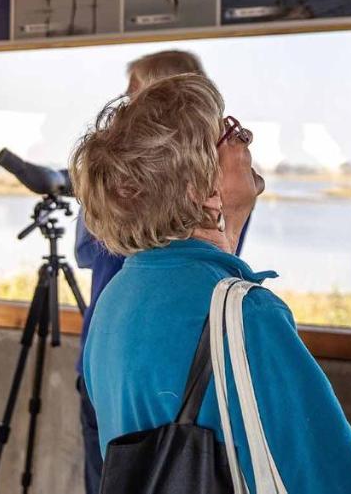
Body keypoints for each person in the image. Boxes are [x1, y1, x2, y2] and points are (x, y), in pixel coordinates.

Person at [72, 74, 351, 493]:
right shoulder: (245, 314)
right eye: (231, 133)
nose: (246, 142)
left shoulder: (115, 301)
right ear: (204, 190)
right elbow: (335, 479)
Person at [73, 50, 252, 494]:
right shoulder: (169, 201)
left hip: (124, 359)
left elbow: (87, 250)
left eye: (134, 95)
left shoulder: (131, 200)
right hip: (176, 369)